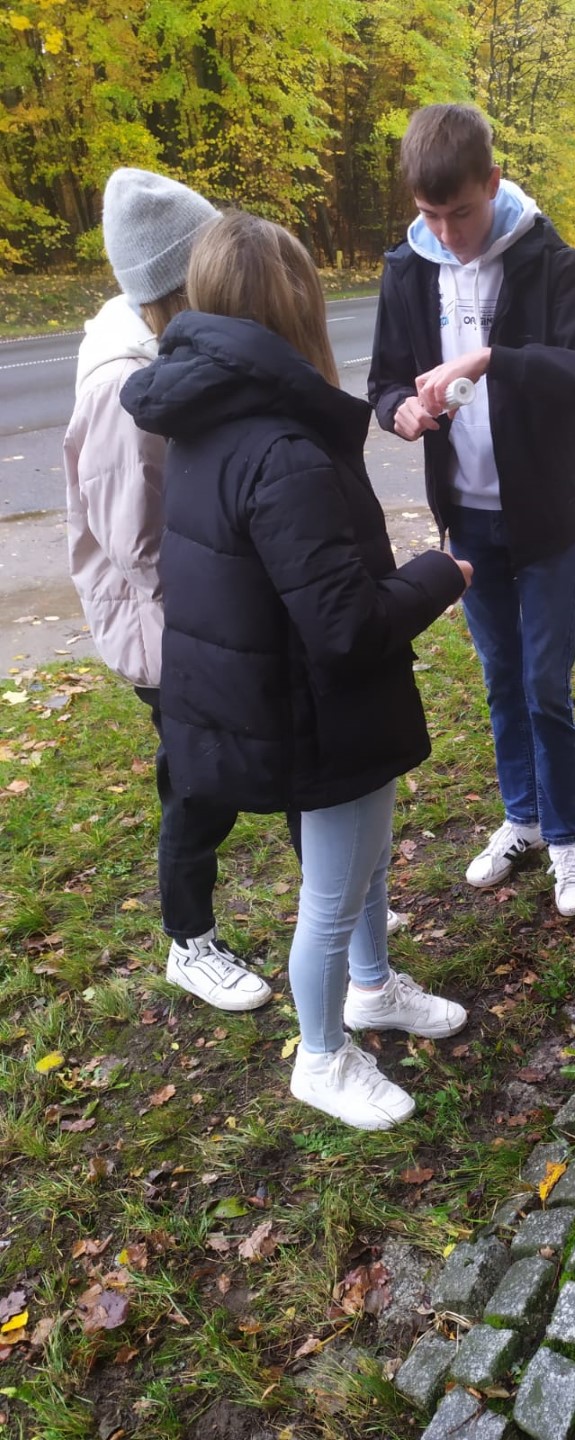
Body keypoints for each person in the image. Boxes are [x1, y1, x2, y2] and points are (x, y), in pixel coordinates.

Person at [120, 211, 471, 1129]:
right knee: (334, 890)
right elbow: (345, 628)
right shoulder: (281, 445)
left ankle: (373, 988)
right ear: (299, 309)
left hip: (279, 688)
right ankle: (321, 1056)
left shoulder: (207, 414)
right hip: (315, 705)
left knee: (364, 864)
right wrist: (441, 574)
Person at [368, 103, 575, 919]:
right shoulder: (408, 270)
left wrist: (497, 360)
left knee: (543, 683)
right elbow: (384, 380)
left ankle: (566, 839)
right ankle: (521, 820)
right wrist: (398, 411)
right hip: (468, 520)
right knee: (500, 677)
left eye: (459, 212)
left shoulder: (548, 262)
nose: (446, 233)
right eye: (429, 214)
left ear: (491, 182)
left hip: (546, 519)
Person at [63, 168, 275, 1012]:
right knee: (198, 781)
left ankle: (341, 900)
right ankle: (190, 943)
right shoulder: (120, 383)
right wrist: (228, 597)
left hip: (210, 612)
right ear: (183, 282)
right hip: (166, 629)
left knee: (293, 741)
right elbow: (137, 543)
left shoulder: (181, 348)